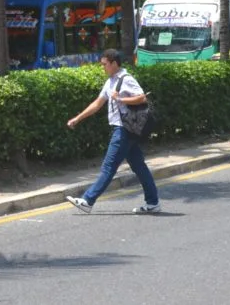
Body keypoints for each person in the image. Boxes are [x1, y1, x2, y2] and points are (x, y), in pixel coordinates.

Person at [66, 49, 160, 214]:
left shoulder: (126, 79)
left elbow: (142, 97)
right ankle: (153, 202)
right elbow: (98, 103)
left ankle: (88, 200)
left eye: (105, 64)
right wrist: (78, 118)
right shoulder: (110, 81)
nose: (103, 68)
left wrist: (120, 99)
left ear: (114, 63)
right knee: (139, 166)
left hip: (124, 129)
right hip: (122, 128)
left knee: (109, 166)